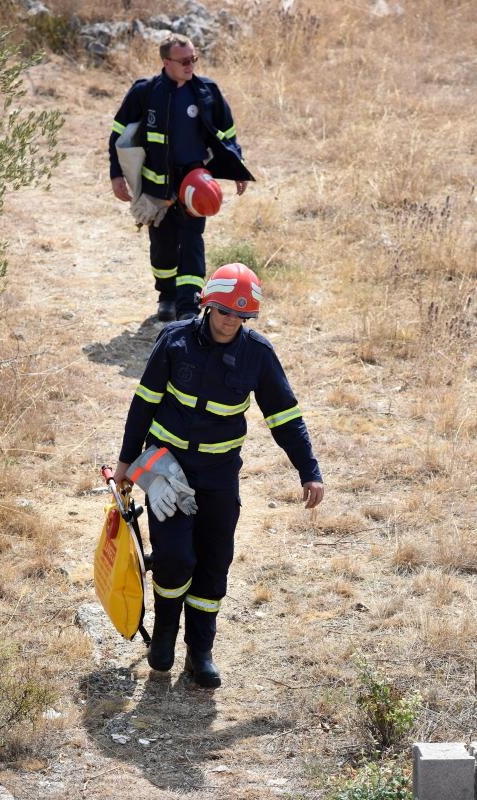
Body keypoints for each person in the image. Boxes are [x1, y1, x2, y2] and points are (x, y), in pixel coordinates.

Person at [112, 263, 324, 689]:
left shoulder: (257, 354)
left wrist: (309, 470)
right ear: (208, 305)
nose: (232, 321)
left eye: (241, 316)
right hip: (165, 468)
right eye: (225, 311)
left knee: (213, 562)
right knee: (174, 558)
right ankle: (165, 639)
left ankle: (200, 652)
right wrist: (126, 463)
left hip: (219, 473)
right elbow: (144, 403)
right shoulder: (173, 341)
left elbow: (284, 416)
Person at [108, 34, 254, 322]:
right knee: (162, 247)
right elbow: (118, 133)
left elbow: (227, 133)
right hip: (155, 186)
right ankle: (166, 294)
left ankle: (188, 307)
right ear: (166, 62)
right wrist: (116, 175)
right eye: (184, 61)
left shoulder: (207, 91)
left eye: (194, 59)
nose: (191, 65)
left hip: (196, 184)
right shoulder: (145, 92)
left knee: (192, 241)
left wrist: (238, 167)